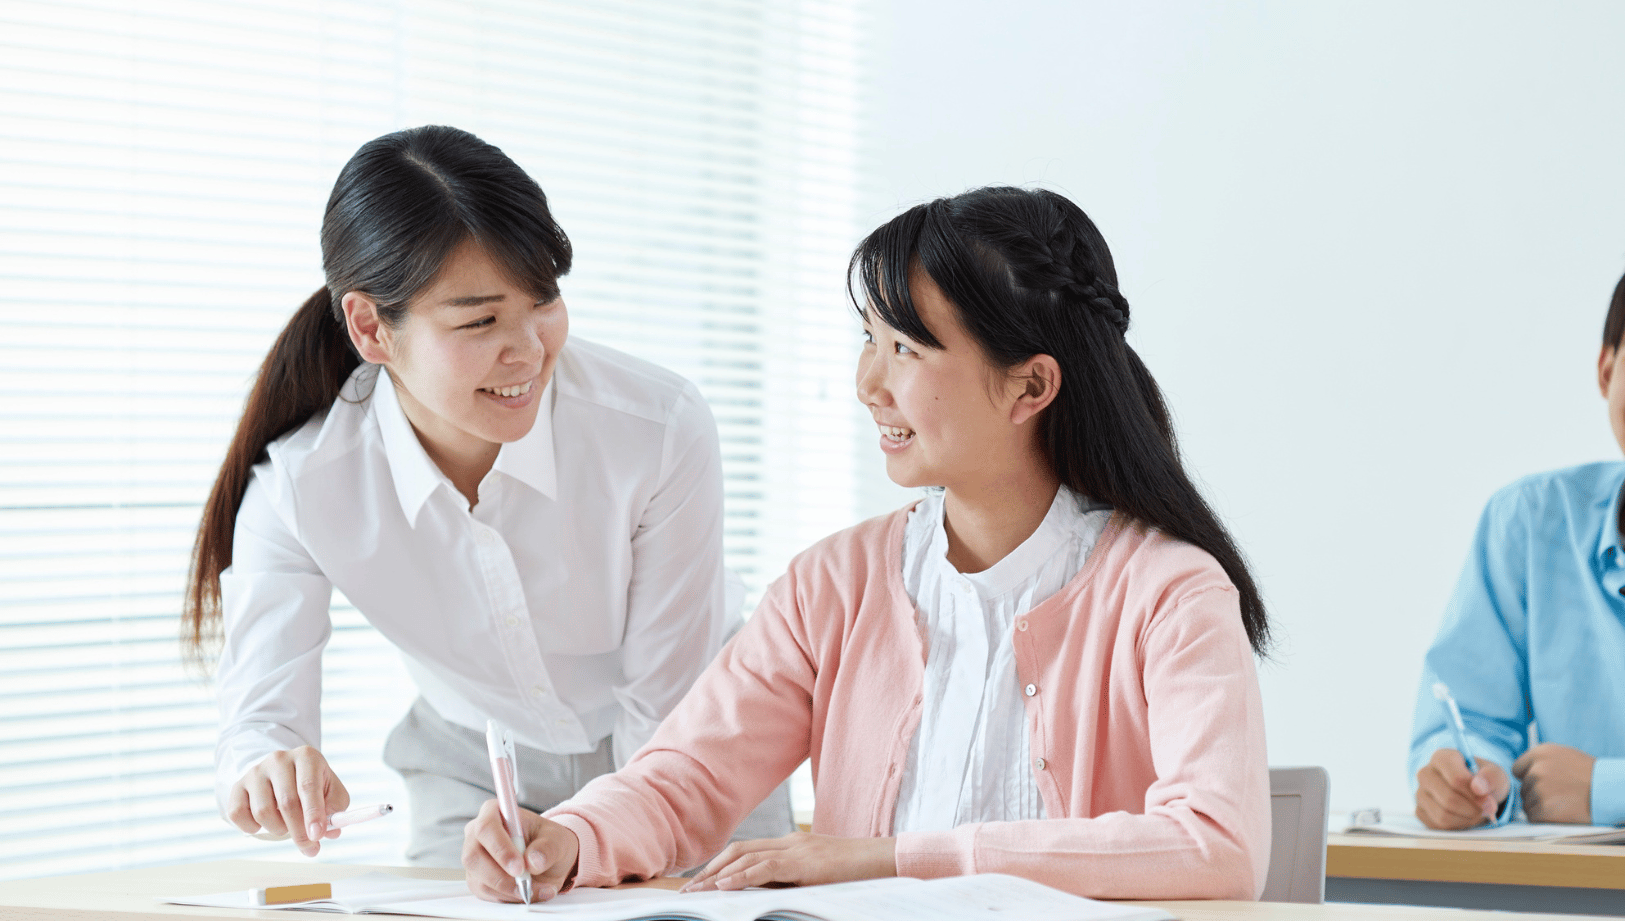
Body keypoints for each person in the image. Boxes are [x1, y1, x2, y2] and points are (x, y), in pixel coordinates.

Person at [461, 185, 1274, 901]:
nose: (867, 383)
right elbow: (689, 778)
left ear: (1030, 385)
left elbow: (1213, 845)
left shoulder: (1170, 591)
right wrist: (569, 837)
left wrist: (885, 862)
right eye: (868, 338)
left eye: (905, 349)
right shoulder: (835, 583)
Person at [184, 125, 789, 865]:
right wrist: (266, 771)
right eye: (480, 321)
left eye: (543, 301)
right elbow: (259, 722)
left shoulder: (654, 427)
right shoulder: (303, 488)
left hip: (688, 746)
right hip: (474, 771)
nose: (530, 349)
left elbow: (662, 709)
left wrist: (599, 842)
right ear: (371, 327)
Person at [1410, 270, 1625, 830]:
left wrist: (1603, 789)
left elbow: (1588, 790)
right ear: (1607, 370)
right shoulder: (1529, 522)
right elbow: (1470, 716)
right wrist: (1470, 775)